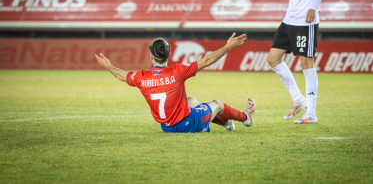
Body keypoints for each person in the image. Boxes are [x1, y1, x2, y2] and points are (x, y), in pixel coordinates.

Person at [229, 0, 325, 124]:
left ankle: (312, 113)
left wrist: (312, 8)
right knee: (273, 59)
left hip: (305, 21)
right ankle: (299, 99)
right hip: (289, 20)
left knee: (306, 63)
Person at [95, 34, 256, 133]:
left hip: (166, 127)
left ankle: (226, 122)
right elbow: (207, 60)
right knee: (217, 104)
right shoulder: (177, 71)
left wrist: (108, 66)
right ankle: (245, 117)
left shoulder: (141, 77)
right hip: (187, 124)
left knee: (191, 101)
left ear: (151, 55)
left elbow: (122, 76)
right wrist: (228, 47)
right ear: (168, 55)